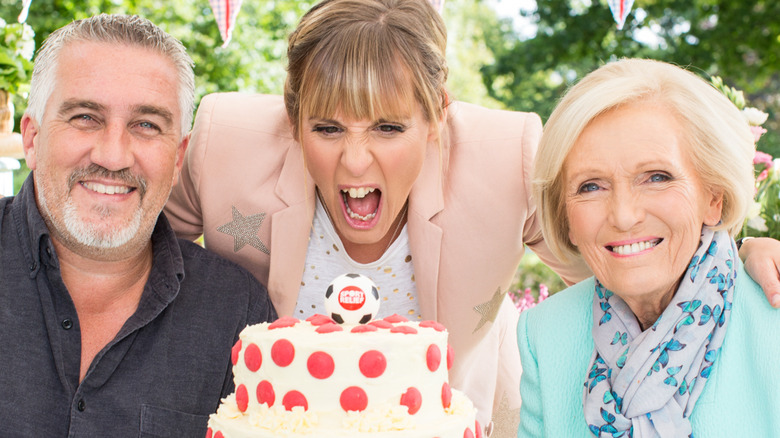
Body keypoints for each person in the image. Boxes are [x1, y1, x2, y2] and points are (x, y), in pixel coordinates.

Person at [164, 0, 780, 433]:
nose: (355, 161)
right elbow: (130, 252)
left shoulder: (505, 158)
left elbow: (619, 248)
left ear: (437, 116)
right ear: (292, 120)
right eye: (326, 128)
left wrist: (735, 246)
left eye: (388, 126)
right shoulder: (225, 145)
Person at [2, 14, 276, 436]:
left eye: (146, 125)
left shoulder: (238, 314)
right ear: (33, 139)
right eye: (85, 117)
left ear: (179, 156)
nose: (114, 157)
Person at [517, 58, 780, 437]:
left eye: (656, 177)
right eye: (590, 186)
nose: (623, 216)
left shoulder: (771, 322)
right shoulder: (545, 332)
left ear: (714, 197)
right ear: (565, 217)